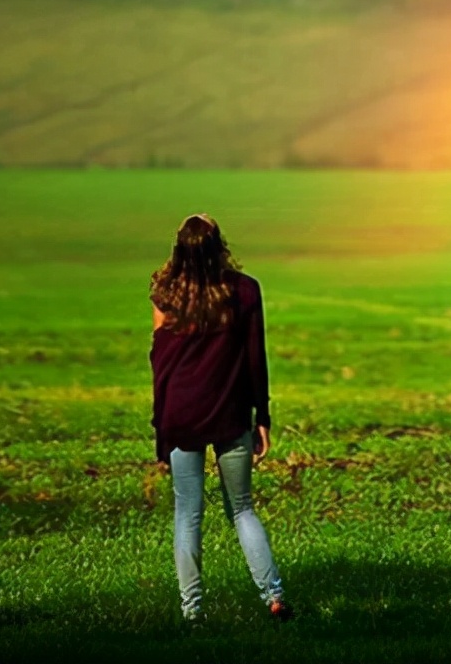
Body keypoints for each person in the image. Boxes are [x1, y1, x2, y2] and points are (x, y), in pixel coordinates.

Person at [149, 213, 292, 624]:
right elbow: (255, 357)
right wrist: (261, 414)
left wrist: (162, 427)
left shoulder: (165, 295)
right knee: (243, 508)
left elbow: (160, 367)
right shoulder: (245, 291)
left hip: (181, 415)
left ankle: (193, 612)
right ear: (219, 245)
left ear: (179, 248)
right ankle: (274, 596)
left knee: (187, 514)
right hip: (230, 414)